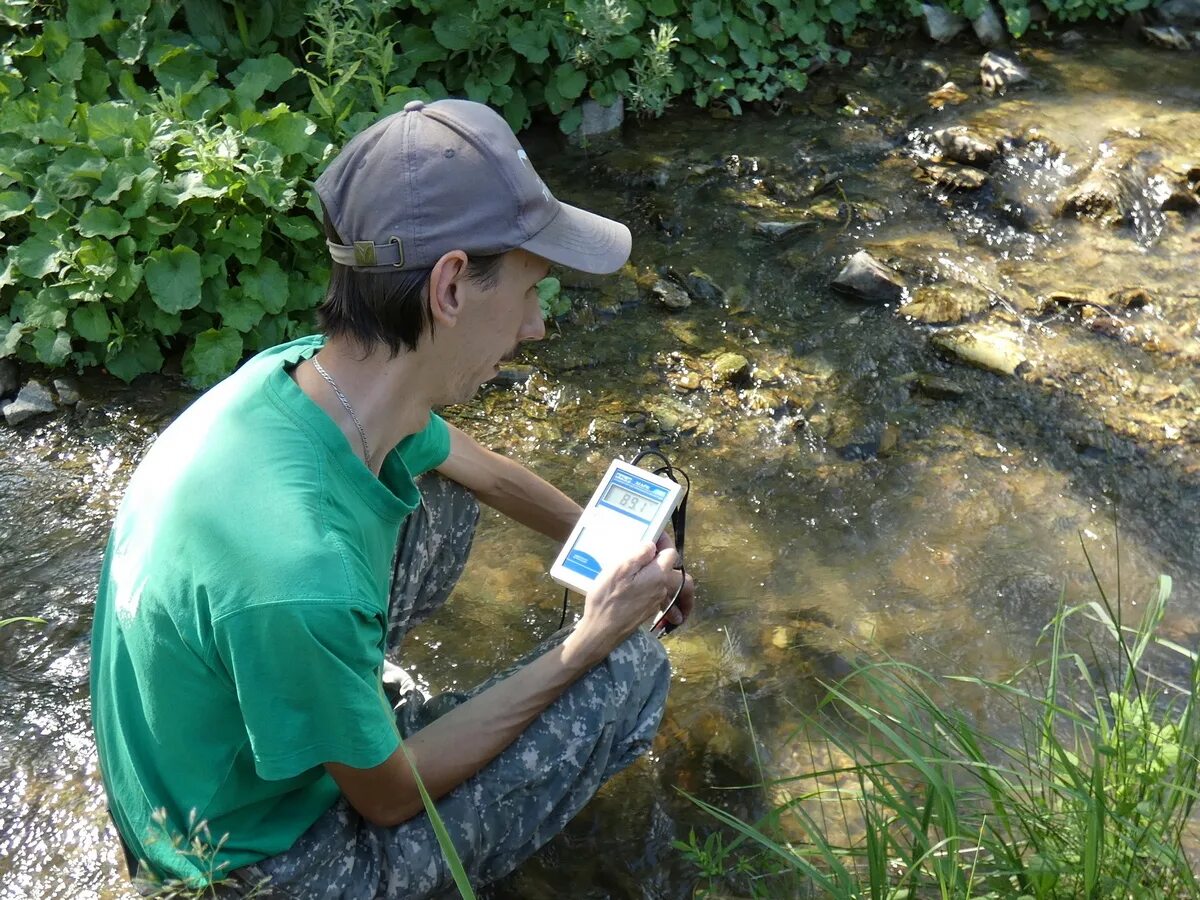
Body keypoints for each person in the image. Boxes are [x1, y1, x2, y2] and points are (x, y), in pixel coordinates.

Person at [89, 98, 696, 898]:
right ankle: (359, 725)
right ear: (450, 286)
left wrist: (621, 544)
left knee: (442, 495)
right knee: (629, 671)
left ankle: (342, 707)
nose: (536, 327)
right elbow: (387, 798)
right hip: (251, 867)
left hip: (196, 770)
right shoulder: (301, 570)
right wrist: (596, 634)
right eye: (529, 290)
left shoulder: (307, 378)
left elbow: (486, 472)